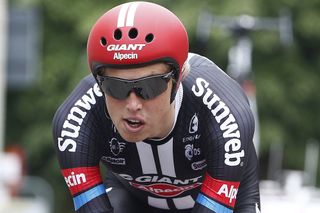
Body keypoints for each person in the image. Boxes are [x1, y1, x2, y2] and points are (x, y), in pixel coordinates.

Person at [52, 1, 261, 213]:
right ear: (99, 83)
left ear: (178, 79)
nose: (133, 104)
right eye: (115, 87)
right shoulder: (76, 120)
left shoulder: (222, 113)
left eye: (150, 86)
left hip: (217, 191)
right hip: (131, 197)